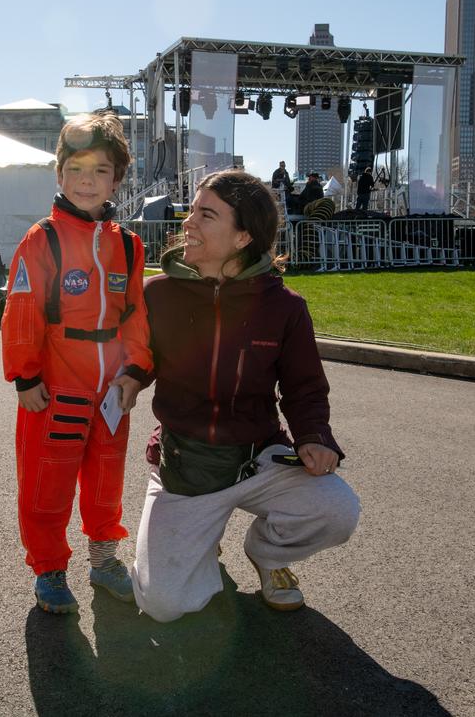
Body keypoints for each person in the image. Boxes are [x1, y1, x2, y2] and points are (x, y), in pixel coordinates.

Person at [130, 170, 360, 623]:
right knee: (163, 605)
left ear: (242, 237)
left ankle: (267, 554)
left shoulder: (285, 307)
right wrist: (127, 381)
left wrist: (315, 436)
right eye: (192, 209)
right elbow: (139, 359)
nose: (188, 221)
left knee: (338, 509)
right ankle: (201, 540)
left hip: (258, 460)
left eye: (206, 214)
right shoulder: (157, 294)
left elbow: (305, 388)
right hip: (186, 465)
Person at [1, 111, 152, 615]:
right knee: (49, 479)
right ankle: (49, 569)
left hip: (111, 392)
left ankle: (104, 560)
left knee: (106, 479)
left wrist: (135, 372)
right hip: (55, 385)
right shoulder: (40, 239)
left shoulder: (128, 247)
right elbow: (21, 311)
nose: (88, 181)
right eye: (77, 170)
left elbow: (135, 317)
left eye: (101, 171)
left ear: (117, 179)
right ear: (60, 174)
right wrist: (25, 376)